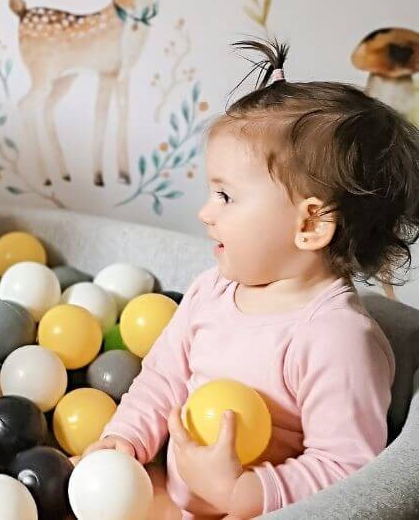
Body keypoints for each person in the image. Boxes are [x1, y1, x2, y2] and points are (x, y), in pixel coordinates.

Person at [87, 39, 419, 519]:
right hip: (175, 501)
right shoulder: (210, 291)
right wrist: (126, 438)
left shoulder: (336, 339)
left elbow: (349, 472)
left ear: (309, 225)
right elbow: (163, 378)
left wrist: (243, 491)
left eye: (225, 196)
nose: (205, 213)